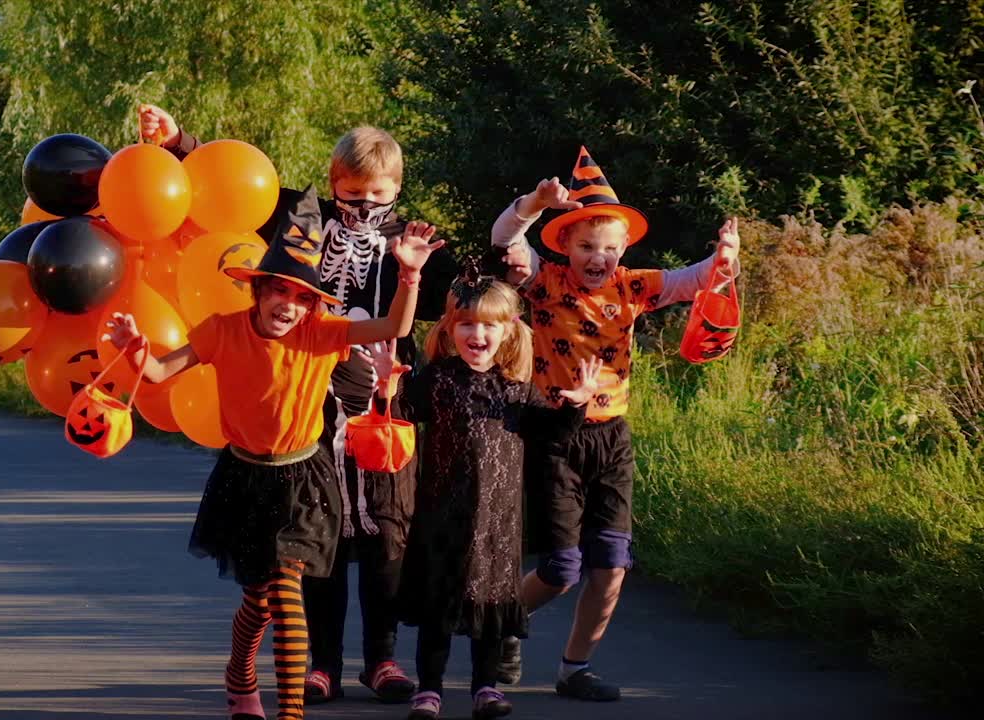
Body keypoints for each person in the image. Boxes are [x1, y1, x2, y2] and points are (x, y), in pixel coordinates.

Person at [141, 104, 458, 703]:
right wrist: (178, 139)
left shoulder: (408, 240)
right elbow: (228, 186)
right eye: (352, 193)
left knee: (387, 531)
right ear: (334, 182)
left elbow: (455, 298)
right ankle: (324, 662)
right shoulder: (300, 217)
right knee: (319, 542)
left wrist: (511, 255)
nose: (364, 206)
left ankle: (382, 657)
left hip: (380, 402)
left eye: (378, 197)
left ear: (397, 192)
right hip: (304, 403)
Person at [489, 146, 740, 700]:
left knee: (612, 563)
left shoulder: (633, 286)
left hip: (612, 437)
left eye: (607, 247)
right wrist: (533, 203)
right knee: (561, 568)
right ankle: (501, 620)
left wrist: (724, 258)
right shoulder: (545, 283)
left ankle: (574, 668)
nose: (597, 257)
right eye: (585, 246)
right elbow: (505, 240)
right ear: (567, 247)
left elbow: (693, 282)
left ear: (623, 247)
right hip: (556, 433)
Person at [370, 265, 601, 720]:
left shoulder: (517, 391)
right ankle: (429, 689)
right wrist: (386, 386)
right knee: (438, 606)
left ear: (508, 333)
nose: (477, 333)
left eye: (488, 326)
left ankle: (486, 687)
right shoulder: (436, 380)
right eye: (467, 324)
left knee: (492, 604)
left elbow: (554, 435)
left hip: (498, 521)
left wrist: (577, 403)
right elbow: (397, 415)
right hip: (440, 515)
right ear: (451, 329)